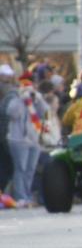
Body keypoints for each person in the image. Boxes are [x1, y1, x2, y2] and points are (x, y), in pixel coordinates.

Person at [5, 73, 48, 207]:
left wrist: (38, 99)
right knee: (20, 168)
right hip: (18, 139)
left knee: (30, 169)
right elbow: (12, 113)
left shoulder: (35, 99)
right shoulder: (14, 97)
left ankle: (27, 194)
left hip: (34, 139)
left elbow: (45, 112)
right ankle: (20, 196)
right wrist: (21, 99)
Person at [0, 64, 18, 193]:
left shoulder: (9, 93)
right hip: (5, 134)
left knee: (5, 166)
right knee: (7, 166)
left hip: (5, 133)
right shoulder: (10, 93)